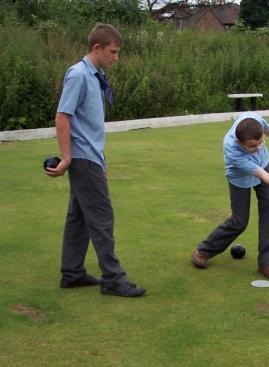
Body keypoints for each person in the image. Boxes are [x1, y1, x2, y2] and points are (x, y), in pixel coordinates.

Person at [45, 24, 145, 297]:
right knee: (102, 218)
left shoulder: (94, 75)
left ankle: (72, 273)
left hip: (91, 158)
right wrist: (67, 157)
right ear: (96, 48)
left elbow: (87, 124)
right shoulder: (78, 74)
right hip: (81, 159)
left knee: (78, 217)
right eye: (112, 51)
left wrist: (100, 159)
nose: (116, 57)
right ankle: (114, 279)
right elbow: (62, 117)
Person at [191, 112, 269, 279]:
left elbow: (266, 127)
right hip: (239, 176)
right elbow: (265, 177)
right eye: (252, 146)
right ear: (239, 142)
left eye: (260, 142)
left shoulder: (252, 119)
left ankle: (267, 263)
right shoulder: (233, 151)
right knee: (239, 221)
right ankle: (203, 251)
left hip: (263, 165)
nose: (257, 148)